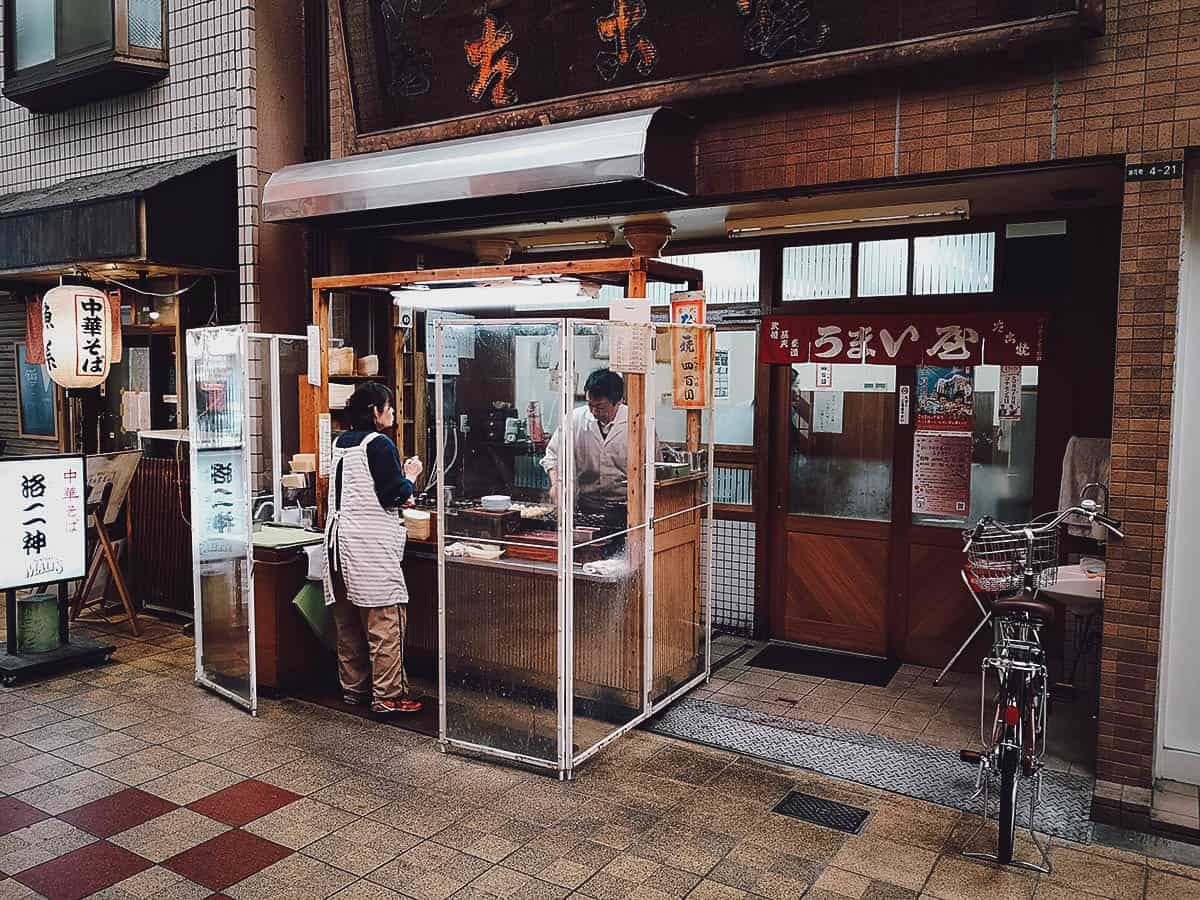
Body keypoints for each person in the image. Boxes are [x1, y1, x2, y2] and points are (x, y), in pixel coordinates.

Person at [322, 382, 423, 715]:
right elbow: (394, 494)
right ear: (375, 412)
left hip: (338, 544)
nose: (392, 412)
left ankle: (354, 690)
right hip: (369, 546)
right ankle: (388, 697)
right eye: (388, 406)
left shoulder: (340, 442)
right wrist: (410, 475)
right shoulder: (379, 444)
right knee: (385, 622)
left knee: (348, 622)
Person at [541, 368, 628, 513]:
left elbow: (653, 470)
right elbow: (553, 456)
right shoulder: (575, 419)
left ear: (618, 401)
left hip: (626, 507)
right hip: (586, 505)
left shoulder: (636, 423)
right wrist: (556, 484)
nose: (594, 412)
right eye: (590, 405)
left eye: (600, 407)